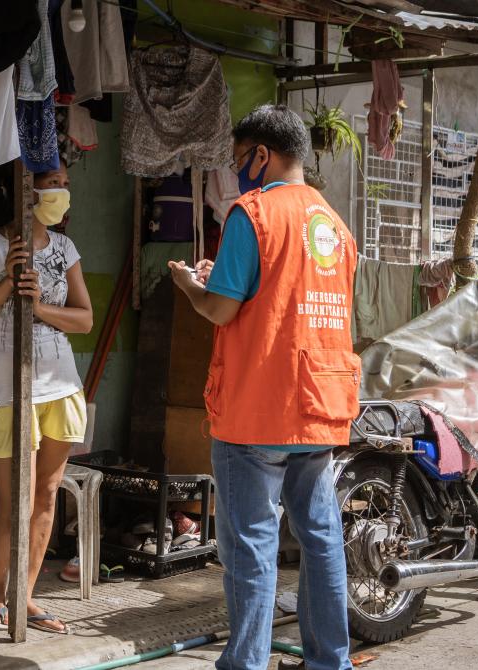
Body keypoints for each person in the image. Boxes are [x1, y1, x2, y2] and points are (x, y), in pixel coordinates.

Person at [169, 104, 359, 670]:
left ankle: (246, 663)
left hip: (257, 407)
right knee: (321, 539)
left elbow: (223, 311)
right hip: (319, 404)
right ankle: (331, 662)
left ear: (261, 155)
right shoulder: (335, 225)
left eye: (238, 160)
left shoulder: (251, 215)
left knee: (251, 546)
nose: (237, 172)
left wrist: (188, 286)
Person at [0, 167, 93, 635]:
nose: (62, 191)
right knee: (14, 503)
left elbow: (84, 319)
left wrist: (39, 307)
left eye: (64, 181)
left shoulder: (64, 248)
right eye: (54, 180)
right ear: (28, 190)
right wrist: (8, 283)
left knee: (46, 498)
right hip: (9, 393)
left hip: (61, 389)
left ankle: (26, 597)